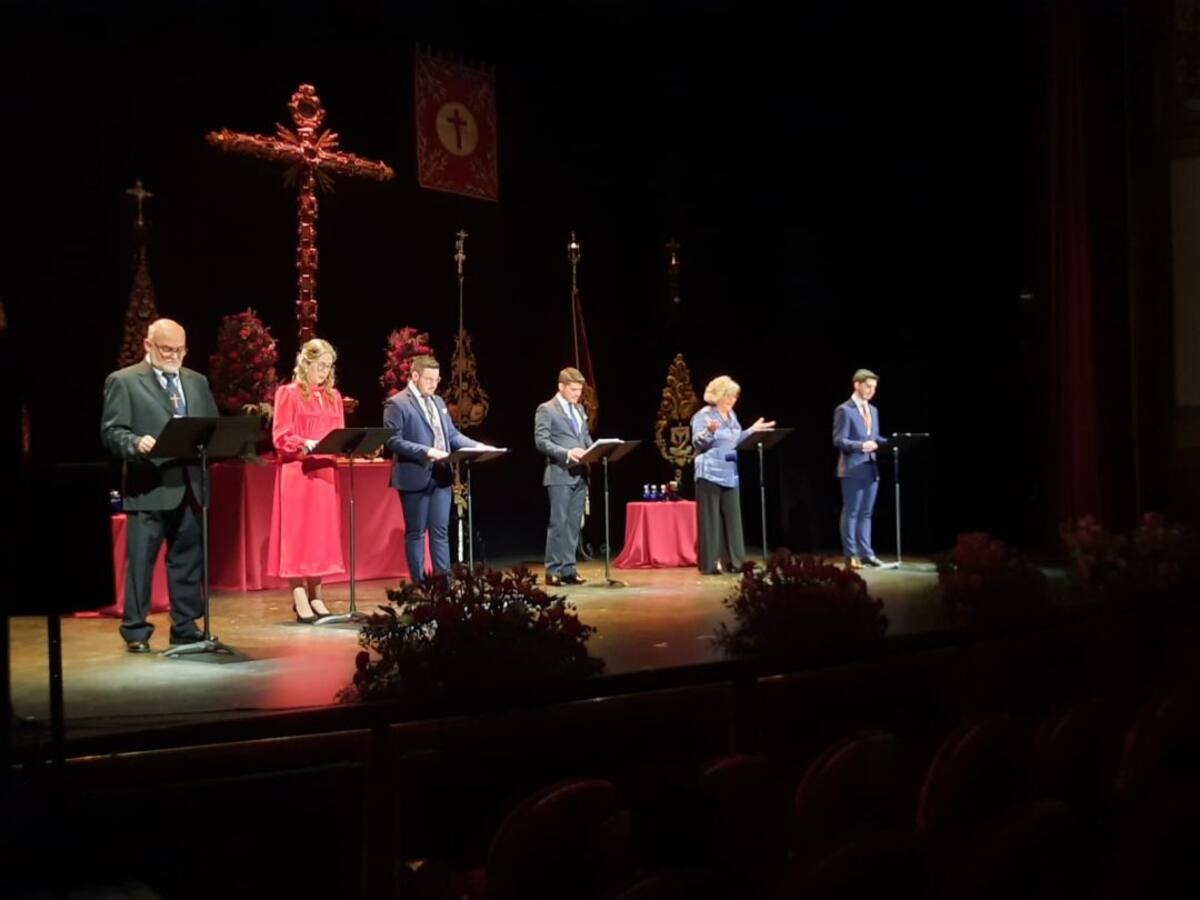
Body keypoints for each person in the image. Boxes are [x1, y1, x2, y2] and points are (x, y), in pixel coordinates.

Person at [100, 318, 220, 652]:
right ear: (148, 346)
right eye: (167, 349)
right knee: (140, 562)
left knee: (187, 559)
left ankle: (185, 626)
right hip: (148, 485)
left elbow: (211, 426)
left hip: (190, 484)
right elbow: (112, 432)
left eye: (180, 350)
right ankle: (136, 631)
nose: (174, 356)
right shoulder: (124, 381)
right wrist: (136, 443)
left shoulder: (196, 381)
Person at [267, 338, 346, 622]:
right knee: (298, 535)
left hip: (325, 470)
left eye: (328, 366)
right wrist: (306, 443)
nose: (324, 371)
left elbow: (339, 433)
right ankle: (299, 595)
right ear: (306, 363)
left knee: (320, 536)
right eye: (320, 365)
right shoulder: (288, 393)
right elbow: (280, 436)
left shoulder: (333, 396)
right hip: (297, 472)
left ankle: (317, 595)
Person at [384, 355, 481, 582]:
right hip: (415, 474)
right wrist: (425, 451)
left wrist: (478, 445)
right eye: (429, 379)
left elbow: (452, 435)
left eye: (437, 380)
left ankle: (443, 582)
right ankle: (420, 584)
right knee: (416, 533)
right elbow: (393, 440)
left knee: (440, 532)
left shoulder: (438, 401)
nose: (433, 384)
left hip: (441, 475)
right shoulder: (397, 403)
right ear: (415, 376)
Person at [691, 375, 775, 575]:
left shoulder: (732, 416)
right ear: (719, 396)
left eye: (734, 397)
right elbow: (697, 443)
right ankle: (709, 565)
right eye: (729, 396)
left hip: (730, 473)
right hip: (709, 472)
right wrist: (709, 432)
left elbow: (735, 440)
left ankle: (737, 563)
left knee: (733, 519)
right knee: (711, 521)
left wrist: (751, 431)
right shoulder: (703, 415)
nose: (732, 400)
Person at [534, 367, 594, 586]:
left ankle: (569, 569)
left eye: (579, 390)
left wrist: (593, 451)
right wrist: (566, 453)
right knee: (558, 523)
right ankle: (553, 570)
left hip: (580, 474)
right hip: (559, 474)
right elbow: (541, 441)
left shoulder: (578, 410)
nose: (577, 394)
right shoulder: (546, 409)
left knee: (573, 524)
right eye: (573, 389)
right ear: (561, 386)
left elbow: (584, 437)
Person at [833, 368, 889, 569]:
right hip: (852, 468)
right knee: (852, 512)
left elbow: (874, 438)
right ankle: (851, 555)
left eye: (874, 387)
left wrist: (891, 443)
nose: (871, 390)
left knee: (866, 513)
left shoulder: (873, 410)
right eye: (868, 386)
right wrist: (861, 445)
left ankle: (867, 553)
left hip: (871, 467)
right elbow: (839, 440)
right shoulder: (844, 410)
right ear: (856, 385)